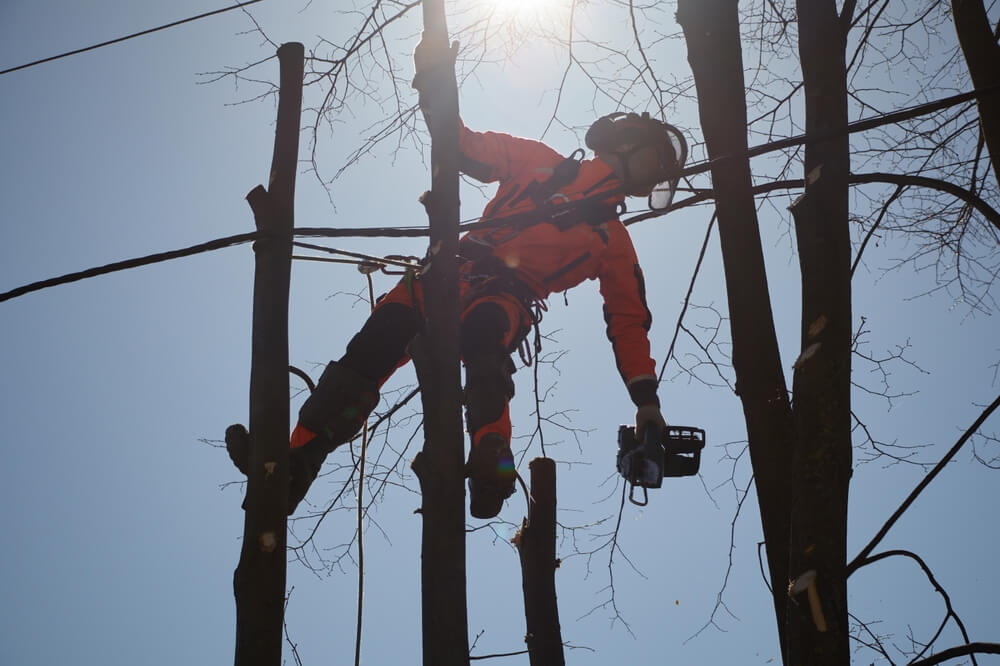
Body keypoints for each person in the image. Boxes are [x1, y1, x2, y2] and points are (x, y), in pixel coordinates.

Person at [235, 37, 686, 518]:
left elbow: (628, 321)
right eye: (655, 160)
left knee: (484, 339)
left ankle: (493, 462)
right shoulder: (540, 162)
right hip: (447, 270)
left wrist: (646, 400)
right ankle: (292, 467)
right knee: (370, 350)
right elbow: (462, 147)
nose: (654, 176)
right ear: (626, 141)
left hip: (506, 296)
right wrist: (434, 83)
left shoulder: (613, 241)